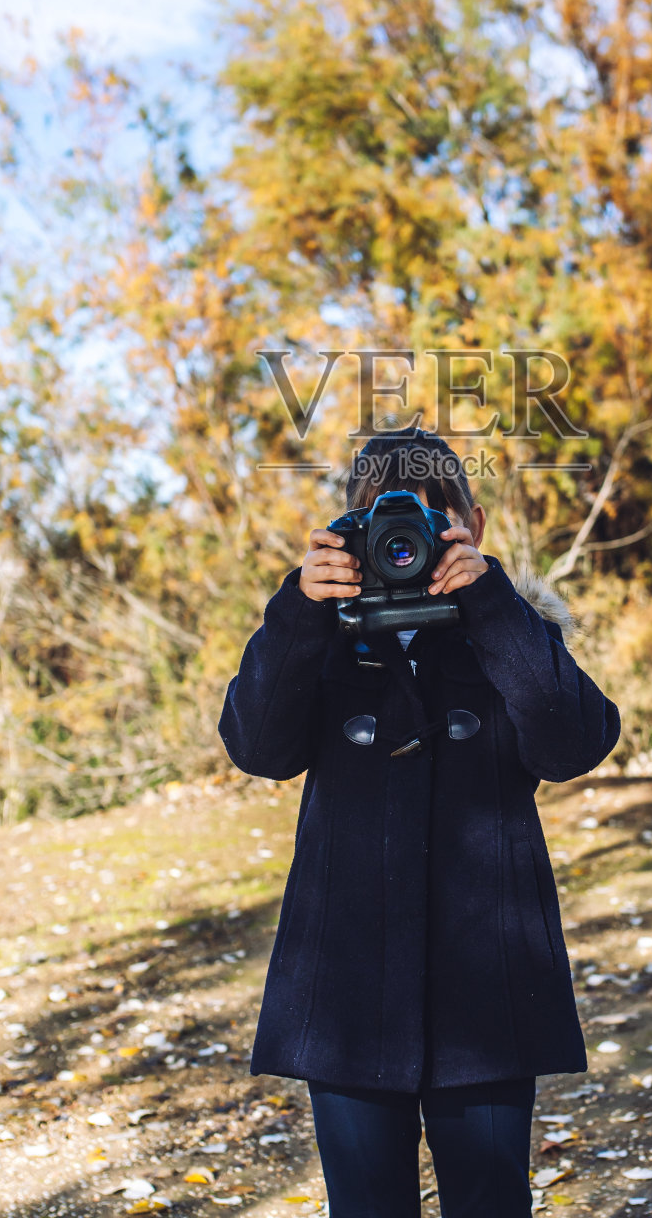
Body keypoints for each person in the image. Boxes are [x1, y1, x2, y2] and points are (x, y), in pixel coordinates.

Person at [218, 429, 622, 1217]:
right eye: (381, 527)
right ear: (349, 531)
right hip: (345, 990)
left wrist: (490, 603)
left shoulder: (508, 632)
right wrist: (301, 610)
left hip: (489, 988)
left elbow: (575, 742)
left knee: (491, 1202)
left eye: (431, 528)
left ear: (471, 524)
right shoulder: (319, 636)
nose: (405, 547)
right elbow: (257, 748)